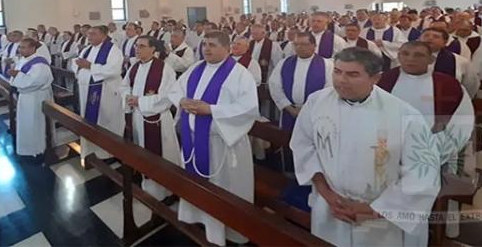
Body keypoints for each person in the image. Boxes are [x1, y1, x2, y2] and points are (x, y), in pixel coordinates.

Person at [290, 48, 440, 246]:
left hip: (380, 215)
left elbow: (423, 173)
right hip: (330, 206)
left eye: (352, 74)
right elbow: (303, 147)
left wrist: (373, 210)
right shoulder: (317, 102)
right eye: (337, 71)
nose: (341, 80)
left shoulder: (404, 115)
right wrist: (326, 193)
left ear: (375, 78)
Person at [161, 31, 258, 245]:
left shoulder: (240, 74)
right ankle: (196, 216)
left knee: (223, 186)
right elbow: (175, 90)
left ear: (227, 48)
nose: (206, 49)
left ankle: (225, 228)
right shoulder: (196, 68)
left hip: (222, 142)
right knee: (196, 181)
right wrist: (183, 101)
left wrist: (211, 109)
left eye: (212, 45)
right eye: (204, 44)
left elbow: (248, 108)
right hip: (195, 139)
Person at [379, 41, 474, 238]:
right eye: (405, 54)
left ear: (431, 59)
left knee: (416, 217)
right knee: (384, 209)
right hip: (387, 154)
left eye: (418, 55)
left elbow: (461, 123)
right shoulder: (384, 81)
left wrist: (431, 153)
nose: (410, 59)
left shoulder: (448, 85)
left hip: (432, 155)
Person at [123, 36, 180, 200]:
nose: (137, 49)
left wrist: (139, 101)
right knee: (143, 152)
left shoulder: (164, 69)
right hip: (139, 117)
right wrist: (128, 97)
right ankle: (147, 184)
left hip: (158, 120)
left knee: (162, 155)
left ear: (153, 49)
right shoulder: (134, 66)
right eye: (136, 46)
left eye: (141, 46)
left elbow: (168, 96)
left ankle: (167, 189)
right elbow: (124, 85)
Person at [73, 25, 124, 159]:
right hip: (86, 90)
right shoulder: (87, 49)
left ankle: (108, 152)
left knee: (106, 120)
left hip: (106, 92)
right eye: (88, 34)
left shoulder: (113, 50)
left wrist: (90, 66)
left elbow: (114, 70)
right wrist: (79, 66)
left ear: (104, 35)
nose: (89, 37)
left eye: (93, 34)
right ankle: (90, 149)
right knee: (89, 119)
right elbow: (77, 62)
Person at [269, 32, 332, 131]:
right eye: (296, 44)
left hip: (315, 112)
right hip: (289, 111)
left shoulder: (327, 65)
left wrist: (307, 109)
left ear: (314, 46)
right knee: (287, 140)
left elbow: (329, 89)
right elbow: (275, 86)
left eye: (304, 44)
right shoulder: (284, 63)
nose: (299, 47)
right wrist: (289, 108)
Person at [8, 38, 53, 158]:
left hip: (36, 97)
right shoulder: (24, 60)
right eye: (20, 47)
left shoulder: (40, 63)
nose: (20, 50)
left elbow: (35, 82)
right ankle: (26, 147)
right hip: (26, 97)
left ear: (33, 48)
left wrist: (18, 75)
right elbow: (20, 77)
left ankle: (37, 149)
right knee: (26, 123)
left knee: (35, 123)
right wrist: (16, 75)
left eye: (23, 47)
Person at [420, 28, 479, 98]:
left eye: (436, 36)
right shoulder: (407, 58)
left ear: (445, 42)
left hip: (447, 101)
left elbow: (471, 84)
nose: (430, 38)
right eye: (426, 36)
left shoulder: (459, 61)